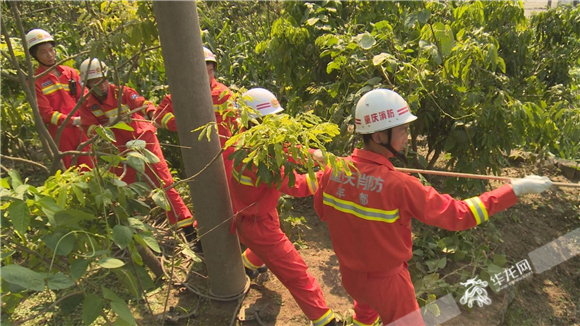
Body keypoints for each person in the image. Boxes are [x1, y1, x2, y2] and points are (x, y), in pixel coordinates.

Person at [312, 89, 553, 326]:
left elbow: (323, 213)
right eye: (403, 130)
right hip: (389, 286)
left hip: (351, 277)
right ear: (378, 137)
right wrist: (513, 190)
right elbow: (460, 215)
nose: (407, 136)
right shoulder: (401, 186)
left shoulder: (333, 170)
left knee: (364, 313)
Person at [230, 88, 337, 326]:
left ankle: (248, 265)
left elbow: (284, 150)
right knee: (296, 273)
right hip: (257, 223)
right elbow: (299, 186)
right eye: (272, 119)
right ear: (258, 121)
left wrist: (315, 155)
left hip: (258, 214)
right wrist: (325, 175)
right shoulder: (258, 159)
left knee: (267, 246)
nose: (277, 125)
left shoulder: (246, 140)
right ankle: (325, 320)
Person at [78, 58, 194, 233]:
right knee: (120, 188)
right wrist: (108, 125)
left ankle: (186, 227)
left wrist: (151, 112)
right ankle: (131, 230)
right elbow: (90, 130)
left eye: (103, 80)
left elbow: (140, 102)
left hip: (143, 139)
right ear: (87, 84)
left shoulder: (121, 93)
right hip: (118, 149)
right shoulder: (87, 105)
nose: (101, 86)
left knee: (163, 183)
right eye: (95, 82)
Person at [154, 47, 237, 181]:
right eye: (203, 72)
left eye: (211, 71)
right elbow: (159, 117)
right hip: (196, 155)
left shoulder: (223, 94)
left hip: (223, 155)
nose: (208, 76)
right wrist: (185, 125)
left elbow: (235, 121)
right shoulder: (180, 95)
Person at [26, 28, 93, 170]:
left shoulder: (70, 73)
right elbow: (45, 113)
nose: (50, 55)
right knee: (69, 172)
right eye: (43, 52)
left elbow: (86, 97)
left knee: (90, 169)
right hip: (60, 133)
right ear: (34, 55)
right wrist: (71, 121)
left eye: (51, 50)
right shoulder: (35, 82)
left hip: (82, 127)